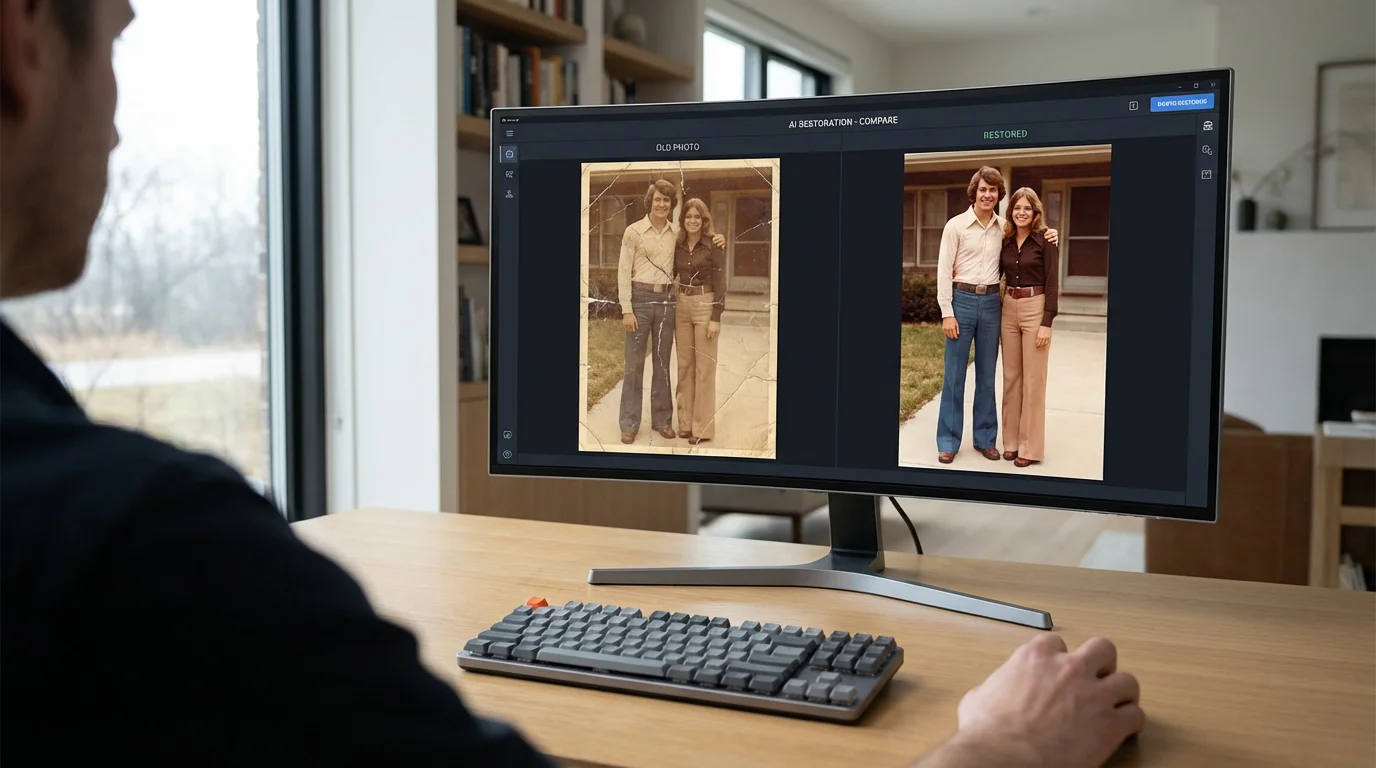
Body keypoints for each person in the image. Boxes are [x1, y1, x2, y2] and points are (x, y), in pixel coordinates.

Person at [0, 1, 1141, 764]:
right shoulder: (139, 548)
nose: (114, 115)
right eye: (113, 44)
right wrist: (1000, 750)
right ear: (23, 45)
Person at [934, 168, 1057, 465]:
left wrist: (1050, 232)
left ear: (999, 196)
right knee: (954, 376)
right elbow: (942, 270)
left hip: (992, 303)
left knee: (988, 376)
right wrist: (947, 312)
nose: (987, 195)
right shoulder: (955, 226)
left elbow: (1033, 241)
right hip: (961, 300)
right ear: (974, 192)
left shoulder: (1006, 228)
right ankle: (949, 441)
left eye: (993, 191)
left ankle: (986, 439)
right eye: (982, 190)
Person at [616, 179, 723, 444]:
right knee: (634, 365)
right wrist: (626, 308)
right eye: (658, 200)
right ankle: (629, 423)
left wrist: (717, 237)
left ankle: (662, 421)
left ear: (671, 205)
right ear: (650, 202)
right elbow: (622, 272)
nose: (662, 204)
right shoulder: (633, 231)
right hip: (639, 301)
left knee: (662, 365)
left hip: (666, 300)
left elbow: (702, 240)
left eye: (667, 200)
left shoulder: (677, 233)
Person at [999, 188, 1060, 468]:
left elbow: (1052, 283)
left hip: (1036, 308)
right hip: (1008, 307)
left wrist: (1047, 321)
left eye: (1027, 208)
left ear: (1036, 212)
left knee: (1034, 380)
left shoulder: (1046, 241)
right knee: (1011, 378)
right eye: (1016, 207)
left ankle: (1030, 447)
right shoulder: (1006, 240)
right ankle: (1010, 442)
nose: (1021, 212)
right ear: (1010, 211)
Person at [672, 198, 727, 446]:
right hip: (682, 304)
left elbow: (721, 283)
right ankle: (685, 424)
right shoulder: (678, 245)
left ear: (704, 220)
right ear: (683, 220)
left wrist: (716, 316)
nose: (692, 221)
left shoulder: (715, 245)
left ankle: (701, 428)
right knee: (684, 365)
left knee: (704, 369)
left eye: (697, 217)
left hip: (705, 304)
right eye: (688, 216)